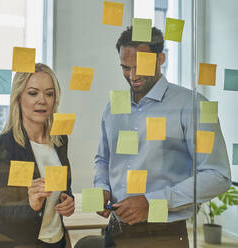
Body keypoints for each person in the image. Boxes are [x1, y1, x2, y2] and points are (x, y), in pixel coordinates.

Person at [94, 26, 231, 247]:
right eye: (125, 68)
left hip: (163, 235)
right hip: (115, 231)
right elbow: (103, 159)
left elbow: (218, 175)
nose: (133, 76)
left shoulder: (192, 105)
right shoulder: (114, 106)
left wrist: (152, 202)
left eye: (140, 67)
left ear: (161, 59)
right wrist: (102, 188)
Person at [0, 63, 75, 248]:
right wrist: (31, 204)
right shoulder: (5, 145)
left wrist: (68, 201)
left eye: (49, 94)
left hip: (56, 240)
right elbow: (8, 209)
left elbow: (65, 187)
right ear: (19, 97)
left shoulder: (60, 140)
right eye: (33, 93)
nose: (42, 100)